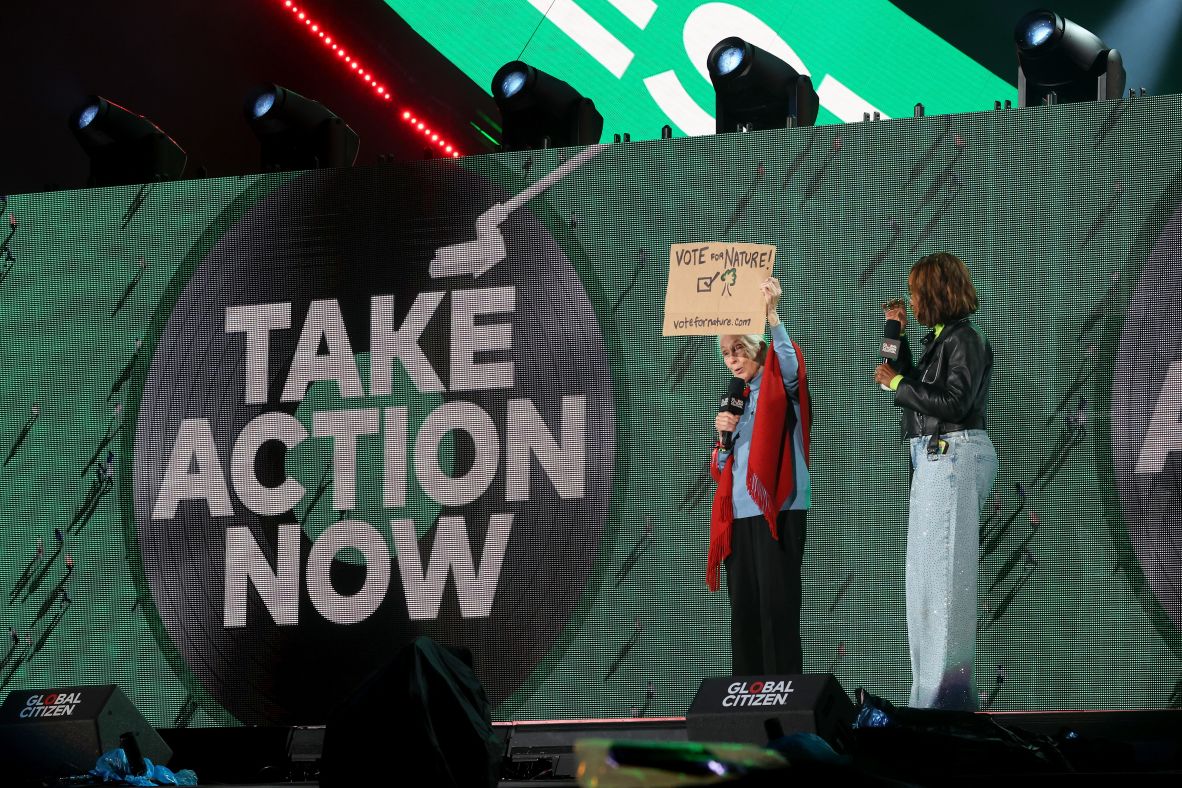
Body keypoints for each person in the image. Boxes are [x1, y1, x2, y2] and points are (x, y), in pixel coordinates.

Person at [873, 251, 997, 710]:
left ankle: (948, 706)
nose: (912, 301)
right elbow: (899, 379)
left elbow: (954, 401)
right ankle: (928, 700)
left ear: (935, 292)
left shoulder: (965, 338)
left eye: (916, 293)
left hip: (953, 458)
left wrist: (895, 385)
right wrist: (893, 333)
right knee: (924, 588)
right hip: (932, 461)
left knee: (944, 586)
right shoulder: (937, 340)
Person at [709, 277, 811, 675]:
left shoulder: (777, 385)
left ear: (753, 346)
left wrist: (772, 315)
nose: (732, 359)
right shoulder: (736, 402)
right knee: (745, 613)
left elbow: (790, 366)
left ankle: (784, 698)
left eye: (737, 349)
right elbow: (719, 470)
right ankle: (747, 698)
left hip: (778, 510)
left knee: (777, 609)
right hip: (738, 515)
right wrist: (724, 440)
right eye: (725, 353)